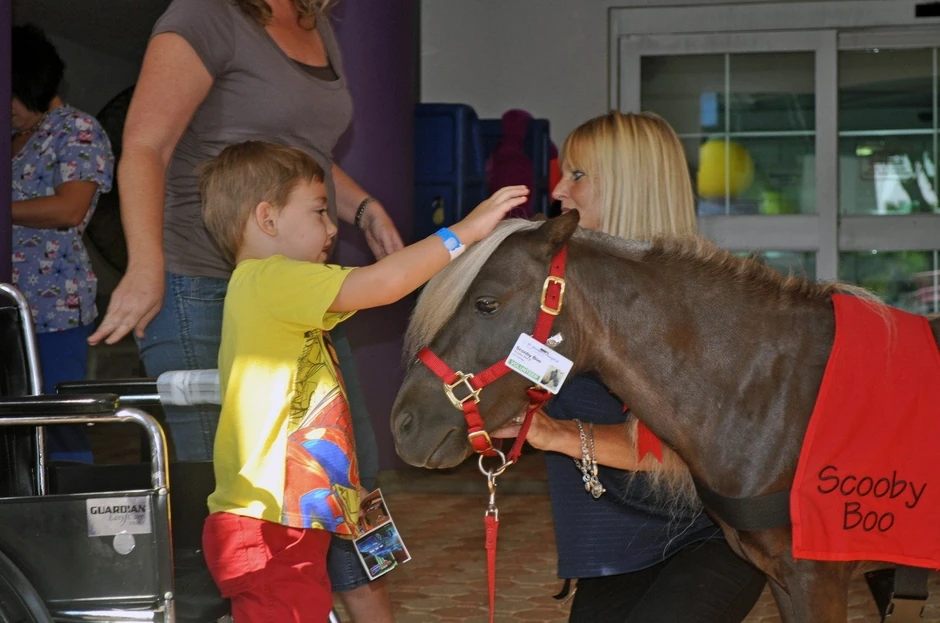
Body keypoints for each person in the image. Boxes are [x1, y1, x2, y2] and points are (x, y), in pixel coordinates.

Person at [84, 0, 402, 616]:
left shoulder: (315, 25)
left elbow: (298, 148)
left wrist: (359, 206)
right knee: (242, 504)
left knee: (348, 480)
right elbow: (145, 145)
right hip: (206, 286)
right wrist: (147, 268)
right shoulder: (205, 17)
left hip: (300, 292)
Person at [197, 140, 528, 621]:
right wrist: (465, 232)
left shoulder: (276, 291)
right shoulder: (269, 279)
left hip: (284, 520)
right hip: (268, 522)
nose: (332, 228)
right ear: (267, 219)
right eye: (318, 212)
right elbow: (383, 283)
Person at [494, 112, 767, 623]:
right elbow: (533, 374)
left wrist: (556, 435)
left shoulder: (698, 302)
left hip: (715, 535)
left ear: (629, 187)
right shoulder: (563, 287)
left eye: (577, 175)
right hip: (621, 544)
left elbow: (677, 452)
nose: (556, 188)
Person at [11, 24, 115, 462]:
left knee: (56, 425)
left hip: (52, 309)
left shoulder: (76, 129)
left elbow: (69, 208)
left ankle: (68, 519)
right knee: (14, 428)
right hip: (11, 306)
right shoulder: (17, 138)